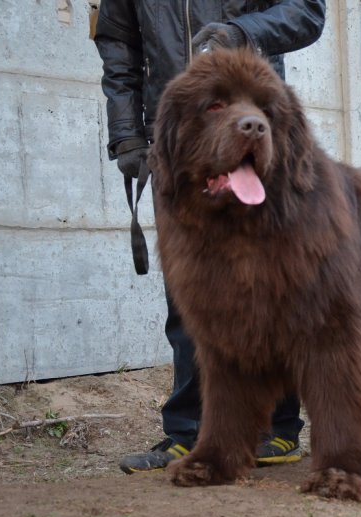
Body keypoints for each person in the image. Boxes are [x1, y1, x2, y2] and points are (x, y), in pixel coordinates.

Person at [93, 0, 326, 473]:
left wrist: (242, 30)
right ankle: (190, 432)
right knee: (190, 301)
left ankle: (278, 430)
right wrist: (128, 135)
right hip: (184, 145)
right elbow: (119, 43)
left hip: (256, 140)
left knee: (275, 292)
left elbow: (307, 11)